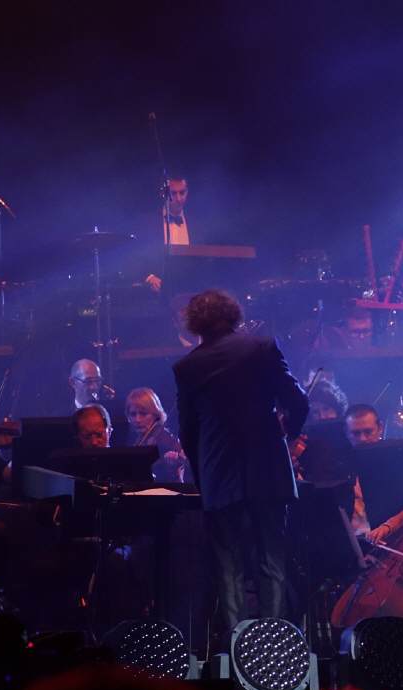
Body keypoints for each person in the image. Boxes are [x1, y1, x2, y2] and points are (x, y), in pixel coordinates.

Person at [173, 289, 308, 637]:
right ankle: (274, 641)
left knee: (228, 565)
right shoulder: (262, 348)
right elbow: (298, 400)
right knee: (271, 559)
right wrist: (288, 433)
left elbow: (188, 431)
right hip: (268, 467)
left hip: (218, 473)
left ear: (194, 323)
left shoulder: (187, 367)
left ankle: (239, 646)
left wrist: (203, 477)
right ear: (234, 314)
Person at [124, 387, 187, 482]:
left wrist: (174, 462)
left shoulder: (165, 439)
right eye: (133, 414)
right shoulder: (139, 439)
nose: (137, 419)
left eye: (143, 414)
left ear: (156, 414)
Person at [144, 174, 192, 293]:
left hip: (190, 289)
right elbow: (136, 257)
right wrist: (150, 277)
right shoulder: (149, 222)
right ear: (163, 194)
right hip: (159, 291)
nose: (179, 198)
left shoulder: (197, 221)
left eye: (182, 193)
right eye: (173, 193)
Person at [344, 403, 384, 534]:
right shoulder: (340, 468)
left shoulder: (397, 459)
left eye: (368, 432)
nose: (363, 439)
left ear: (380, 428)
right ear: (346, 433)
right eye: (356, 433)